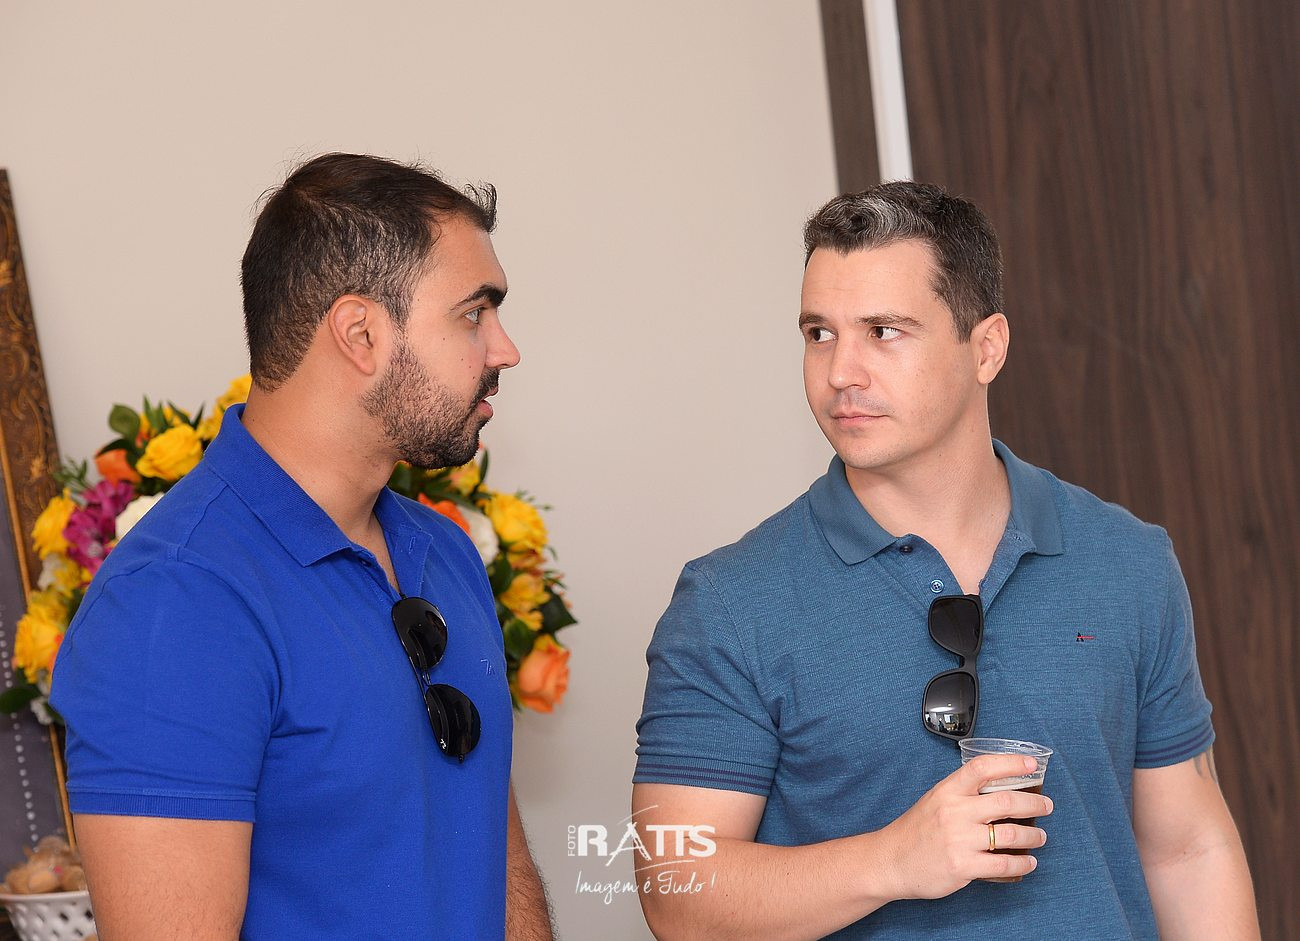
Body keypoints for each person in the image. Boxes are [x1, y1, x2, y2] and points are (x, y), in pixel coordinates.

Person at [632, 182, 1259, 939]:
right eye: (819, 333)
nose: (841, 372)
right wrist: (894, 860)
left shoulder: (1128, 561)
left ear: (986, 347)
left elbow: (1189, 850)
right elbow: (674, 890)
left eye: (883, 331)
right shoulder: (729, 601)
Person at [50, 153, 553, 940]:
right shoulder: (174, 603)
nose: (505, 348)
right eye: (473, 313)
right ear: (360, 333)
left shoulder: (445, 552)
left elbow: (494, 847)